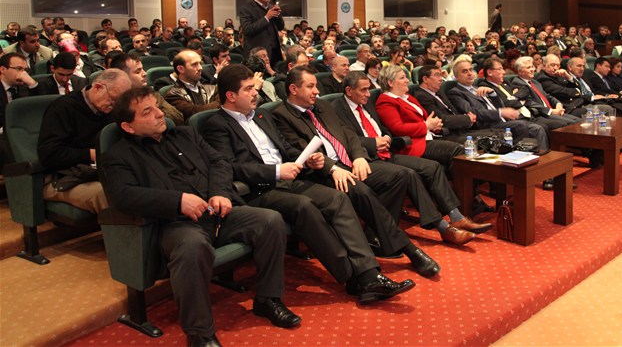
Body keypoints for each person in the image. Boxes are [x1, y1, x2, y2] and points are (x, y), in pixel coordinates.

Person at [102, 87, 300, 346]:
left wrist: (219, 192)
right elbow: (124, 196)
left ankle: (267, 299)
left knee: (270, 221)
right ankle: (200, 334)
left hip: (218, 213)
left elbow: (220, 162)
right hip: (176, 224)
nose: (160, 114)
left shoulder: (186, 134)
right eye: (147, 112)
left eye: (157, 107)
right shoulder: (118, 156)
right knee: (193, 246)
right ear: (128, 127)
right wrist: (178, 201)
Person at [202, 65, 414, 303]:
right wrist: (275, 171)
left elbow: (286, 148)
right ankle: (353, 277)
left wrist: (308, 158)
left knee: (337, 198)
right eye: (249, 89)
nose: (255, 92)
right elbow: (230, 167)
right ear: (231, 96)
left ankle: (369, 273)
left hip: (290, 177)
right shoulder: (217, 125)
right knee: (304, 206)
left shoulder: (261, 115)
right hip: (260, 189)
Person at [271, 66, 441, 277]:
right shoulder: (281, 115)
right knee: (361, 191)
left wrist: (359, 156)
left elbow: (348, 134)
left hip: (348, 161)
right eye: (310, 86)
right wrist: (333, 168)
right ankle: (409, 249)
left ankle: (374, 235)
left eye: (316, 86)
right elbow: (301, 151)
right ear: (293, 89)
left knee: (400, 176)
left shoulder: (322, 105)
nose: (317, 91)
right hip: (322, 172)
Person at [335, 71, 487, 245]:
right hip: (367, 157)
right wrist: (373, 143)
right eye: (363, 90)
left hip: (387, 151)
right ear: (349, 91)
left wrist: (386, 138)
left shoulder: (366, 103)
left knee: (433, 167)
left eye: (368, 89)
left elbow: (384, 128)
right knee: (410, 173)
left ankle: (456, 216)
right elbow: (346, 138)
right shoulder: (338, 109)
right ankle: (443, 227)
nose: (368, 94)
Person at [38, 69, 131, 213]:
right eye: (113, 99)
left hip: (103, 171)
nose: (114, 106)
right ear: (98, 87)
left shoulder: (110, 110)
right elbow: (49, 153)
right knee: (113, 196)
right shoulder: (63, 108)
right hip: (66, 177)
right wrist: (92, 154)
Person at [448, 57, 550, 147]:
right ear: (456, 76)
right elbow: (473, 113)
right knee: (529, 127)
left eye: (471, 70)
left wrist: (493, 94)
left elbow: (501, 105)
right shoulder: (456, 93)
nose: (470, 73)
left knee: (537, 127)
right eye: (464, 71)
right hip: (486, 125)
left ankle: (540, 158)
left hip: (501, 121)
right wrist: (500, 112)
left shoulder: (477, 88)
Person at [110, 51, 184, 125]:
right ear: (123, 76)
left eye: (142, 69)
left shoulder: (150, 93)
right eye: (138, 71)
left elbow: (177, 117)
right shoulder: (113, 101)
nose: (145, 74)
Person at [510, 56, 580, 130]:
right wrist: (551, 111)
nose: (532, 69)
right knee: (570, 124)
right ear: (520, 72)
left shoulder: (534, 82)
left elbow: (547, 96)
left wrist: (558, 104)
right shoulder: (518, 83)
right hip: (541, 114)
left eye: (532, 67)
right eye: (528, 68)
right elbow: (529, 103)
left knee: (578, 121)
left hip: (550, 111)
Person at [164, 50, 220, 120]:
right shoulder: (173, 95)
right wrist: (219, 104)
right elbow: (196, 112)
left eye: (200, 63)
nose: (200, 68)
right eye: (194, 64)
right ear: (181, 69)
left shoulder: (213, 89)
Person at [239, 0, 284, 65]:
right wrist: (267, 17)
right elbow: (247, 29)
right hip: (257, 56)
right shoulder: (246, 9)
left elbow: (281, 26)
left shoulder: (271, 7)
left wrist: (278, 15)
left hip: (274, 53)